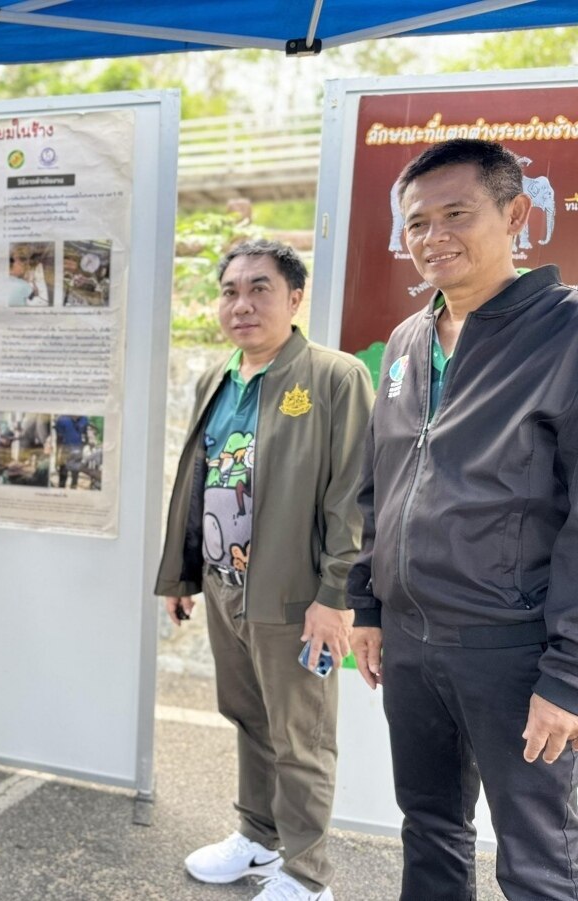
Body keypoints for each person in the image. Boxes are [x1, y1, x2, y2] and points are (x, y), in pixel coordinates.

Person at [348, 139, 578, 901]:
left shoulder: (567, 333)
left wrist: (568, 674)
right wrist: (370, 604)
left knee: (539, 861)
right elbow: (381, 478)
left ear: (515, 215)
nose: (433, 236)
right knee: (430, 825)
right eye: (417, 222)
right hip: (412, 646)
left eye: (457, 214)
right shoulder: (409, 340)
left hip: (513, 651)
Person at [156, 240, 373, 901]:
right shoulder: (216, 379)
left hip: (296, 597)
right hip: (228, 587)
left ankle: (308, 877)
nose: (242, 304)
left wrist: (335, 596)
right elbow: (199, 480)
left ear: (295, 297)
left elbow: (353, 496)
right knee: (248, 716)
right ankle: (258, 836)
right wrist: (182, 573)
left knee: (302, 735)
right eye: (230, 291)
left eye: (260, 288)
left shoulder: (334, 378)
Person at [54, 414, 88, 489]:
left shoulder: (84, 419)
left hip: (76, 451)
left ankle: (71, 494)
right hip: (66, 451)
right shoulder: (62, 419)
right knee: (63, 479)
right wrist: (57, 457)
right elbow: (58, 440)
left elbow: (85, 435)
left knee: (74, 478)